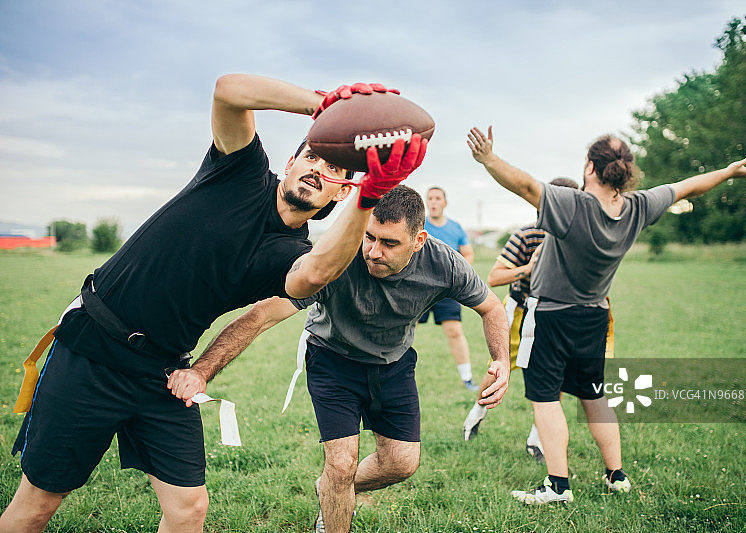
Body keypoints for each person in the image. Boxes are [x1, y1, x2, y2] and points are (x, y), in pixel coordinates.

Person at [0, 75, 426, 533]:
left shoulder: (294, 253)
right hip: (93, 349)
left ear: (342, 192)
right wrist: (324, 107)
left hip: (161, 371)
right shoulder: (237, 172)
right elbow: (228, 90)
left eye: (335, 170)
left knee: (189, 508)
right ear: (290, 161)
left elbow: (318, 273)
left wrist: (371, 196)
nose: (317, 167)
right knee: (40, 502)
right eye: (311, 155)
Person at [167, 185, 511, 533]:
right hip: (333, 360)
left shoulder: (444, 263)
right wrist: (201, 370)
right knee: (342, 464)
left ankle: (331, 488)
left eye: (389, 243)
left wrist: (500, 360)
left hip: (394, 364)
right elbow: (261, 316)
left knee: (401, 464)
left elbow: (491, 307)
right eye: (369, 237)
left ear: (419, 240)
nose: (374, 252)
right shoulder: (337, 260)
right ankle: (335, 496)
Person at [468, 125, 746, 505]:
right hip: (595, 317)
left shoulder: (572, 204)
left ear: (590, 168)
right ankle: (616, 476)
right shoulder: (637, 207)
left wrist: (489, 159)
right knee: (594, 396)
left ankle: (557, 486)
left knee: (545, 399)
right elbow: (687, 187)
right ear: (624, 172)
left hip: (553, 316)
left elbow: (526, 186)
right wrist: (727, 172)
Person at [462, 178, 579, 465]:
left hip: (559, 316)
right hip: (520, 311)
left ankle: (536, 438)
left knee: (557, 377)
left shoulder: (578, 237)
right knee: (502, 368)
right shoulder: (527, 235)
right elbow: (494, 277)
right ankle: (476, 414)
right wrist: (530, 268)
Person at [417, 186, 479, 390]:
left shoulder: (456, 227)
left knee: (454, 330)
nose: (433, 202)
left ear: (445, 202)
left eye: (437, 198)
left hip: (447, 290)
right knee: (407, 328)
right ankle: (395, 372)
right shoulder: (418, 223)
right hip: (418, 288)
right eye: (430, 198)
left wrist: (458, 273)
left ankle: (467, 378)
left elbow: (468, 254)